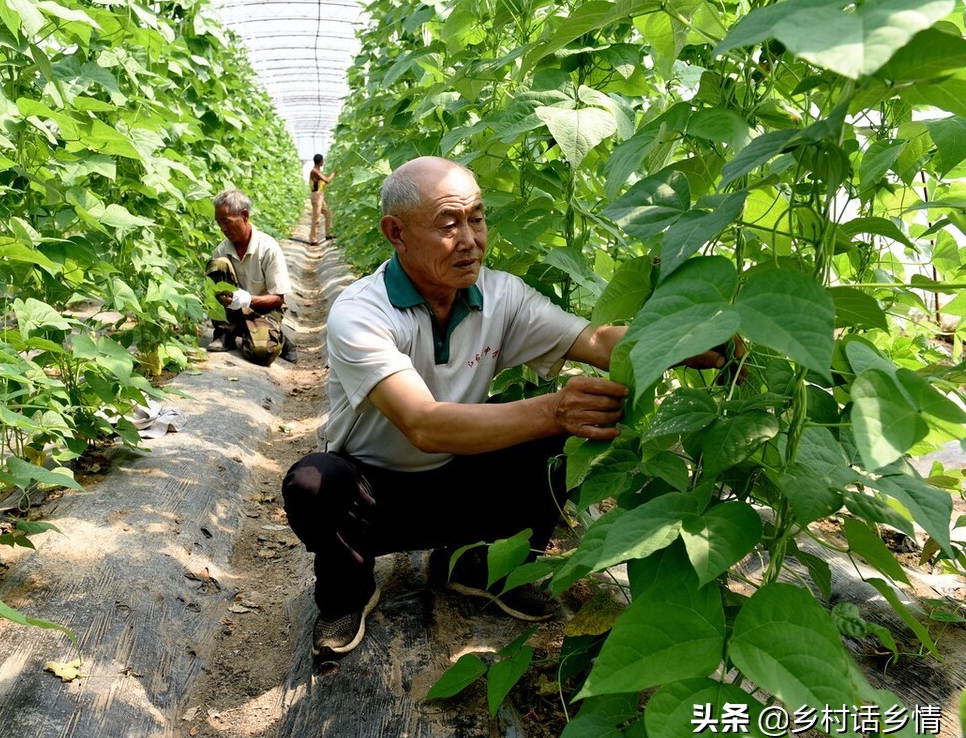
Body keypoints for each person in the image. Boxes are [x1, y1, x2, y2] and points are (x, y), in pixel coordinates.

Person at [281, 157, 731, 660]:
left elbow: (597, 341)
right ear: (396, 233)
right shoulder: (361, 311)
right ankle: (347, 591)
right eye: (448, 225)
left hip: (461, 479)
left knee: (561, 438)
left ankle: (476, 567)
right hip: (373, 499)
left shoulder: (500, 296)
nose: (470, 239)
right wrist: (555, 410)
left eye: (476, 218)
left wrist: (687, 338)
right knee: (313, 483)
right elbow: (424, 424)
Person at [205, 188, 298, 365]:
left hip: (265, 311)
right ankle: (224, 331)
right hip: (233, 312)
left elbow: (278, 299)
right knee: (217, 265)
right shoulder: (221, 251)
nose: (223, 229)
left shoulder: (268, 248)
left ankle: (278, 337)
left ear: (245, 215)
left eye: (227, 222)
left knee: (262, 353)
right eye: (219, 223)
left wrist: (247, 299)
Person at [309, 154, 336, 245]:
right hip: (317, 196)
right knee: (316, 219)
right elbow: (327, 180)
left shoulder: (317, 171)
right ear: (320, 161)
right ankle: (313, 240)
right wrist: (334, 173)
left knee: (328, 214)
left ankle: (328, 234)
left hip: (320, 195)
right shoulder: (315, 171)